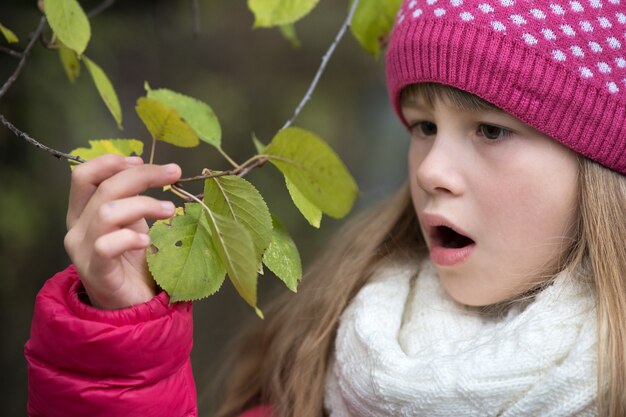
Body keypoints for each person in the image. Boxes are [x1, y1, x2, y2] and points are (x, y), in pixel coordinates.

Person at [25, 0, 626, 416]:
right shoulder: (325, 353)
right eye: (422, 126)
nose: (431, 171)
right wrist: (119, 353)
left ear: (601, 165)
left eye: (490, 131)